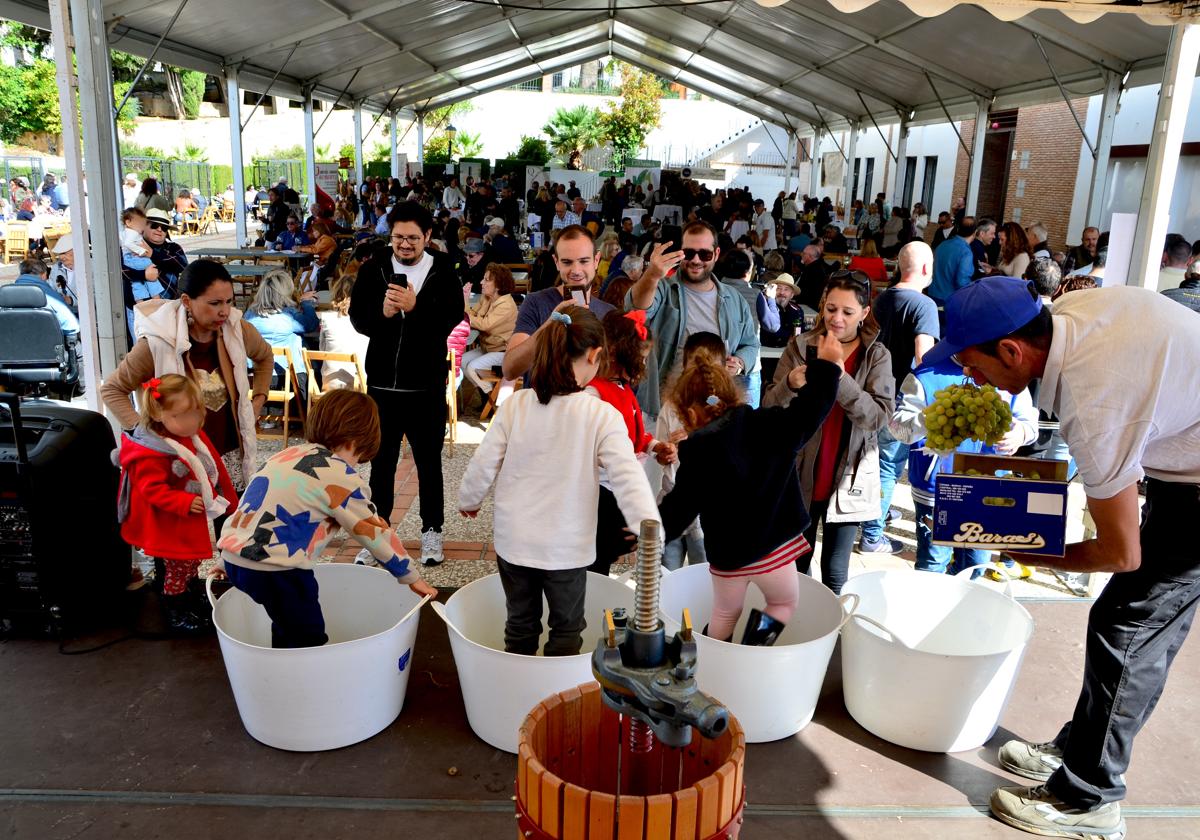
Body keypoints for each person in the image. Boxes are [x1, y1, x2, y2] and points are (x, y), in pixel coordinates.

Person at [921, 276, 1200, 839]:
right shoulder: (1071, 311)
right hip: (1181, 469)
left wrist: (1031, 552)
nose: (970, 378)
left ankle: (1089, 800)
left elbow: (1121, 552)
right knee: (1140, 627)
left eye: (973, 366)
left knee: (1126, 628)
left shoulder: (1095, 403)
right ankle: (1080, 750)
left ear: (1012, 350)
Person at [458, 306, 659, 656]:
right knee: (567, 627)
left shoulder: (516, 404)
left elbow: (484, 462)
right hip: (566, 547)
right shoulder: (601, 415)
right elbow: (627, 475)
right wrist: (648, 524)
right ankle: (554, 699)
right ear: (596, 355)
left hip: (515, 541)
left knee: (520, 622)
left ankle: (517, 690)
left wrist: (469, 501)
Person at [659, 326, 842, 644]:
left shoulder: (696, 450)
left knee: (724, 615)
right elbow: (810, 410)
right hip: (773, 549)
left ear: (689, 412)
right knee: (783, 603)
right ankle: (753, 648)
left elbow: (679, 508)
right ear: (730, 394)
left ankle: (713, 664)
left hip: (727, 558)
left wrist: (644, 531)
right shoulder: (768, 424)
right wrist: (827, 367)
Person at [217, 389, 436, 648]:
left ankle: (278, 668)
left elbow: (251, 508)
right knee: (308, 638)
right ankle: (304, 684)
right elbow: (373, 533)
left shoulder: (284, 456)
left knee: (287, 624)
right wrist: (412, 577)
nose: (355, 465)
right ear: (355, 442)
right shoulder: (340, 476)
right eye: (358, 457)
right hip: (279, 571)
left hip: (235, 560)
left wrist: (226, 558)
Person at [348, 201, 465, 567]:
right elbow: (358, 318)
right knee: (381, 464)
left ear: (427, 237)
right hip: (382, 385)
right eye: (399, 237)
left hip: (426, 386)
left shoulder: (444, 271)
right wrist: (381, 315)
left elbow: (449, 319)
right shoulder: (374, 269)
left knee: (429, 463)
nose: (405, 245)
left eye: (413, 238)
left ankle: (432, 532)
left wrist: (415, 308)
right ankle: (378, 537)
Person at [762, 271, 894, 595]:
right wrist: (789, 384)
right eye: (831, 308)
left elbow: (878, 417)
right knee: (793, 569)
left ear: (864, 313)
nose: (836, 319)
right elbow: (768, 407)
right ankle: (795, 639)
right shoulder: (801, 345)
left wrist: (839, 374)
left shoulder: (876, 356)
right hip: (798, 475)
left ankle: (832, 642)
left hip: (849, 478)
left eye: (847, 312)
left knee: (836, 575)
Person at [102, 259, 274, 488]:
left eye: (228, 301)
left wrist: (258, 400)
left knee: (231, 519)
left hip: (231, 450)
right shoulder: (157, 342)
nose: (225, 311)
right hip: (181, 456)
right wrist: (148, 436)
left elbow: (264, 357)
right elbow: (112, 390)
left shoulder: (237, 329)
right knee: (189, 518)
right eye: (214, 303)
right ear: (186, 302)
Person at [889, 351, 1037, 575]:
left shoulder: (1008, 374)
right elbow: (897, 427)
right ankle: (931, 608)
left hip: (987, 491)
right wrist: (931, 418)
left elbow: (1030, 423)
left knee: (975, 566)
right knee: (932, 565)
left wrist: (1021, 435)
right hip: (936, 491)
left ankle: (957, 606)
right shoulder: (925, 375)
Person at [117, 373, 236, 633]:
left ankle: (191, 595)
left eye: (197, 412)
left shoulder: (188, 434)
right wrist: (181, 501)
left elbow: (210, 465)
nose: (194, 420)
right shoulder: (152, 451)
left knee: (189, 563)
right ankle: (176, 609)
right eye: (183, 415)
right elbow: (151, 489)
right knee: (178, 567)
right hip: (171, 523)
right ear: (159, 415)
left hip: (187, 518)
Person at [627, 221, 759, 423]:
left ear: (715, 254)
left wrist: (740, 362)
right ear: (680, 253)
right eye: (689, 253)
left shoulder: (734, 299)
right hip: (663, 410)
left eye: (704, 254)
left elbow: (750, 343)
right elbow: (635, 309)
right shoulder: (663, 288)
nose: (696, 260)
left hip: (716, 412)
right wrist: (652, 275)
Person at [858, 242, 940, 555]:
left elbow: (865, 341)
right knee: (889, 467)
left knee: (874, 460)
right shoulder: (924, 306)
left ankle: (873, 516)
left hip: (872, 393)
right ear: (924, 269)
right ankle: (872, 535)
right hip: (902, 400)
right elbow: (924, 357)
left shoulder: (882, 299)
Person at [587, 310, 677, 575]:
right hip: (601, 488)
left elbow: (634, 433)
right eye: (642, 359)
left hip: (617, 485)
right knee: (601, 552)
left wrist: (653, 446)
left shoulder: (622, 388)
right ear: (617, 354)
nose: (644, 366)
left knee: (611, 548)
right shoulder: (595, 392)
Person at [503, 225, 615, 381]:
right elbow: (510, 370)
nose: (576, 270)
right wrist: (550, 326)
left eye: (584, 261)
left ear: (596, 260)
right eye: (567, 262)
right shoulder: (536, 302)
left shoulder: (609, 313)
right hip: (541, 403)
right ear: (556, 262)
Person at [245, 269, 319, 396]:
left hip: (255, 375)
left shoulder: (248, 315)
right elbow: (311, 324)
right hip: (289, 376)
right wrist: (306, 303)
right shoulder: (288, 317)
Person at [461, 263, 519, 397]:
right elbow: (472, 315)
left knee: (472, 367)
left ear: (498, 285)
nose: (481, 282)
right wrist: (465, 298)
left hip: (504, 351)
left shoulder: (506, 305)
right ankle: (487, 394)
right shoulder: (487, 297)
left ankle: (491, 398)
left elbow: (484, 325)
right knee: (462, 361)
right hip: (487, 348)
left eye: (486, 280)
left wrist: (468, 317)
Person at [317, 271, 369, 390]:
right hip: (360, 382)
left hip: (331, 382)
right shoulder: (367, 320)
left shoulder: (326, 319)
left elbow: (322, 349)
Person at [928, 216, 978, 305]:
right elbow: (962, 282)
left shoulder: (942, 244)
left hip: (932, 295)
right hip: (950, 299)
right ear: (975, 232)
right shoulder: (966, 252)